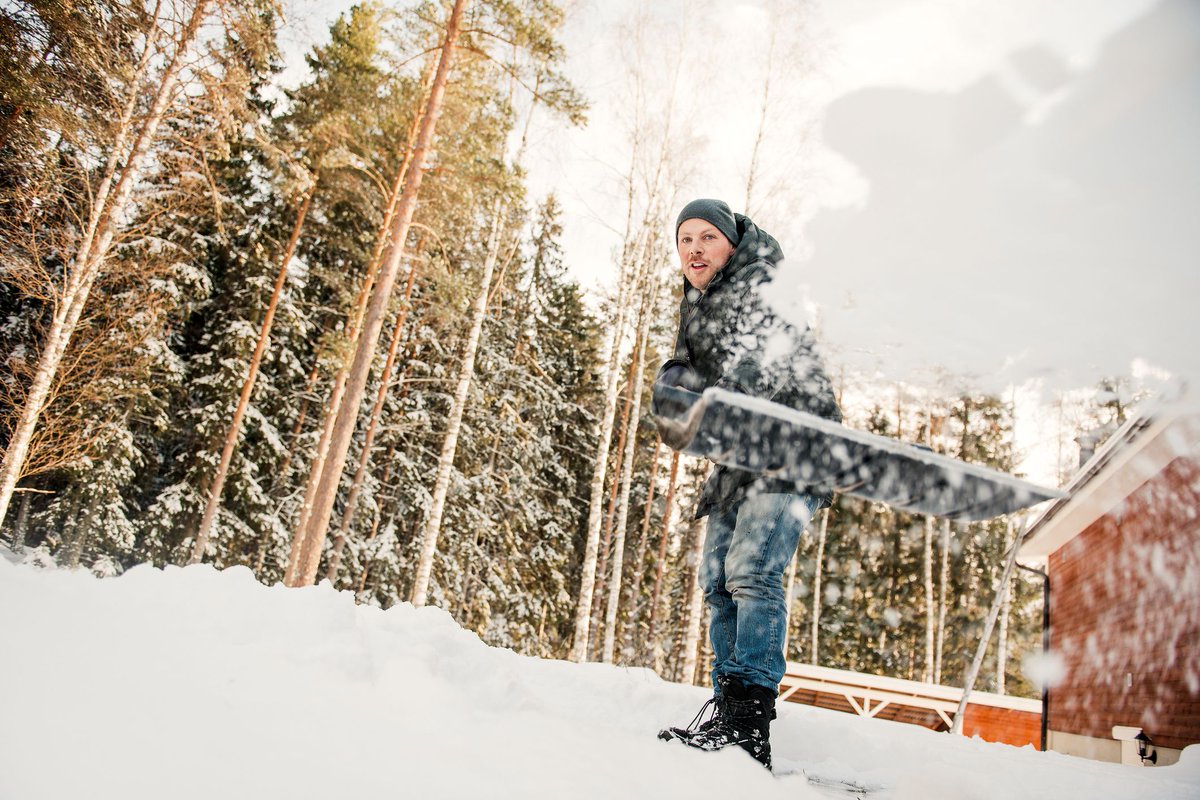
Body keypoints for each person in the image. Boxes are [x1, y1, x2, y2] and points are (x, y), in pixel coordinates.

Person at [654, 198, 842, 770]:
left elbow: (765, 356)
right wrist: (674, 391)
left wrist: (714, 394)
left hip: (789, 449)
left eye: (707, 237)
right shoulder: (697, 304)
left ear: (731, 245)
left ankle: (749, 724)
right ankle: (727, 708)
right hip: (737, 459)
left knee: (753, 574)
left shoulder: (765, 283)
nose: (694, 249)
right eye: (685, 240)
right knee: (717, 583)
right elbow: (687, 367)